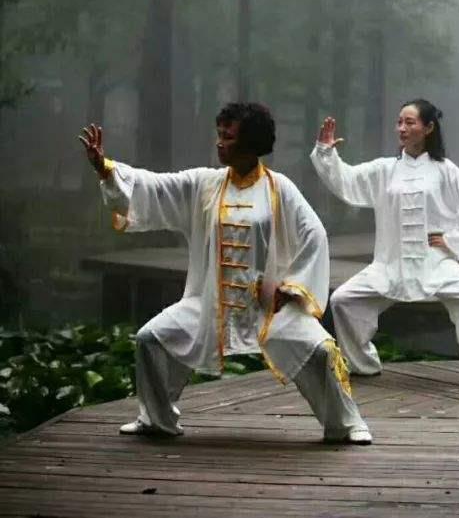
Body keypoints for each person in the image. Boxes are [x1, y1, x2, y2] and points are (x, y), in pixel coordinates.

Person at [78, 103, 371, 444]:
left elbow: (313, 234)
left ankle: (345, 424)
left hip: (264, 308)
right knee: (150, 339)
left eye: (228, 137)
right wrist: (107, 169)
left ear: (250, 142)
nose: (220, 143)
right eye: (219, 135)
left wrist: (291, 288)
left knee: (321, 349)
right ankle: (156, 419)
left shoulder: (279, 188)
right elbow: (154, 186)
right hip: (210, 304)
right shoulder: (205, 183)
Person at [311, 99, 459, 384]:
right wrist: (326, 152)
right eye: (399, 122)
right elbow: (348, 180)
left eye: (409, 122)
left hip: (435, 262)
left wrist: (452, 240)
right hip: (390, 263)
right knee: (343, 300)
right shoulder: (385, 169)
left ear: (428, 128)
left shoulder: (444, 169)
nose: (402, 128)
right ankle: (362, 363)